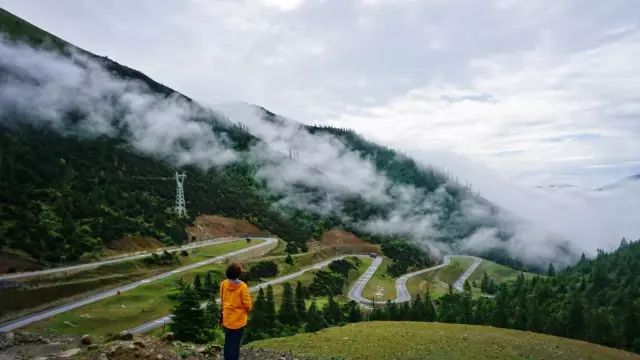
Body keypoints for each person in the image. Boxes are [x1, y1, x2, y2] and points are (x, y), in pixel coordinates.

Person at [219, 262, 252, 360]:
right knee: (236, 344)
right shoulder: (242, 287)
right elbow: (248, 305)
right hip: (238, 320)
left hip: (227, 318)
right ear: (238, 274)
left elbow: (222, 299)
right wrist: (246, 311)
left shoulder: (223, 283)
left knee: (228, 342)